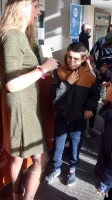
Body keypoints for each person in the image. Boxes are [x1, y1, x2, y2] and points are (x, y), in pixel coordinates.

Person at [0, 0, 58, 199]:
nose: (38, 12)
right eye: (36, 6)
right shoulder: (12, 36)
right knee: (39, 159)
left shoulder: (15, 35)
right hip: (22, 106)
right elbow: (12, 84)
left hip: (23, 105)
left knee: (18, 156)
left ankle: (18, 196)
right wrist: (44, 68)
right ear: (22, 7)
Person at [44, 42, 100, 186]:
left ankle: (72, 170)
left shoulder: (90, 76)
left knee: (76, 145)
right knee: (58, 145)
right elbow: (53, 96)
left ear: (83, 59)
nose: (71, 61)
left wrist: (89, 107)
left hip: (79, 118)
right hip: (62, 116)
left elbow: (94, 95)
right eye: (69, 57)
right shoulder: (59, 72)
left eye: (76, 58)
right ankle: (56, 168)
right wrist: (67, 83)